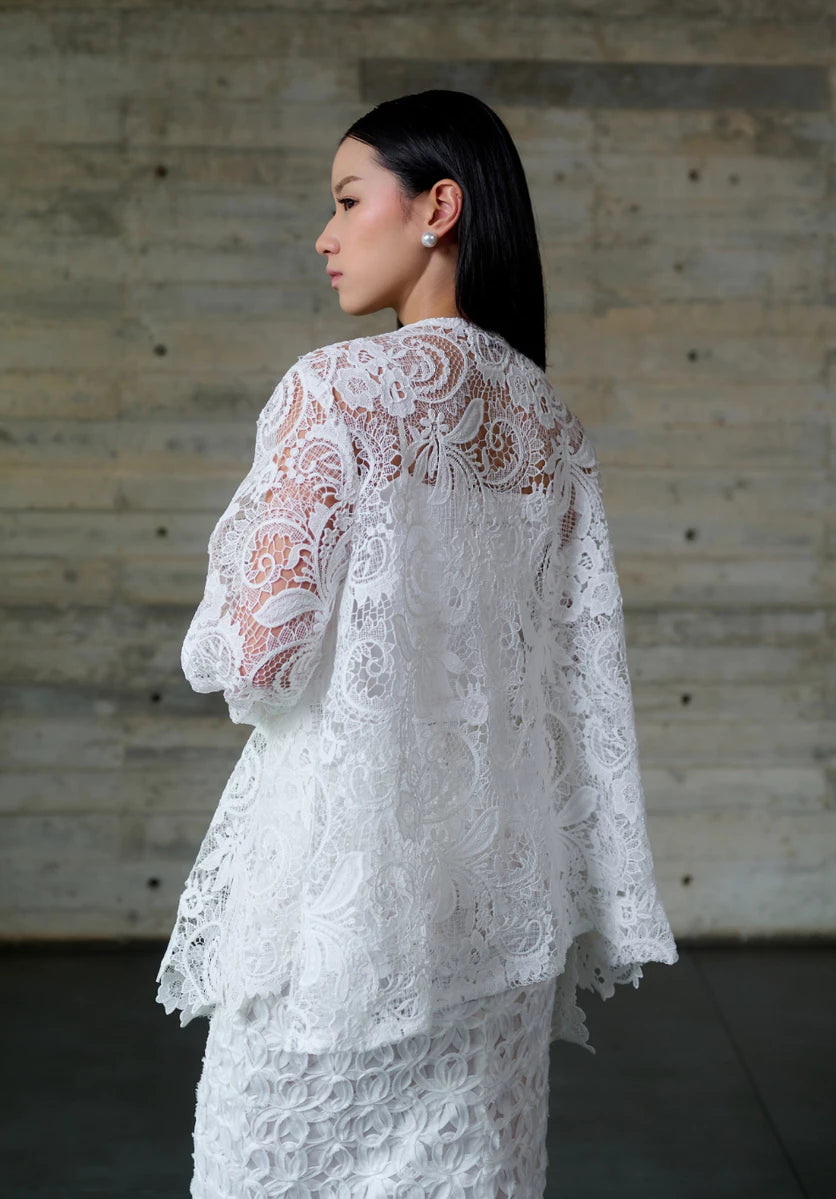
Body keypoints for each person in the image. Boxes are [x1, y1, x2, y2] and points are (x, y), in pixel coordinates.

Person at [155, 88, 678, 1198]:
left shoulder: (335, 390)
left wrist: (221, 620)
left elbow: (257, 659)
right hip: (495, 904)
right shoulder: (549, 425)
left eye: (349, 201)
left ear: (439, 207)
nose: (326, 234)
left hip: (338, 902)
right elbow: (576, 684)